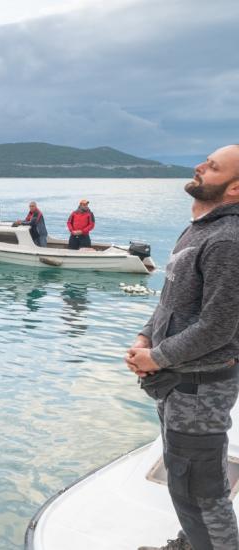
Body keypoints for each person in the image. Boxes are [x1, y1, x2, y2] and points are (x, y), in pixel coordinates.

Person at [128, 145, 239, 550]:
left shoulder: (229, 240)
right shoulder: (200, 228)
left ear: (234, 188)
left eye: (212, 167)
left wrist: (155, 357)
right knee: (184, 480)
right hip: (177, 380)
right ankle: (193, 542)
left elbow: (218, 326)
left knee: (201, 490)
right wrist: (145, 337)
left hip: (200, 387)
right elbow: (171, 301)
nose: (199, 167)